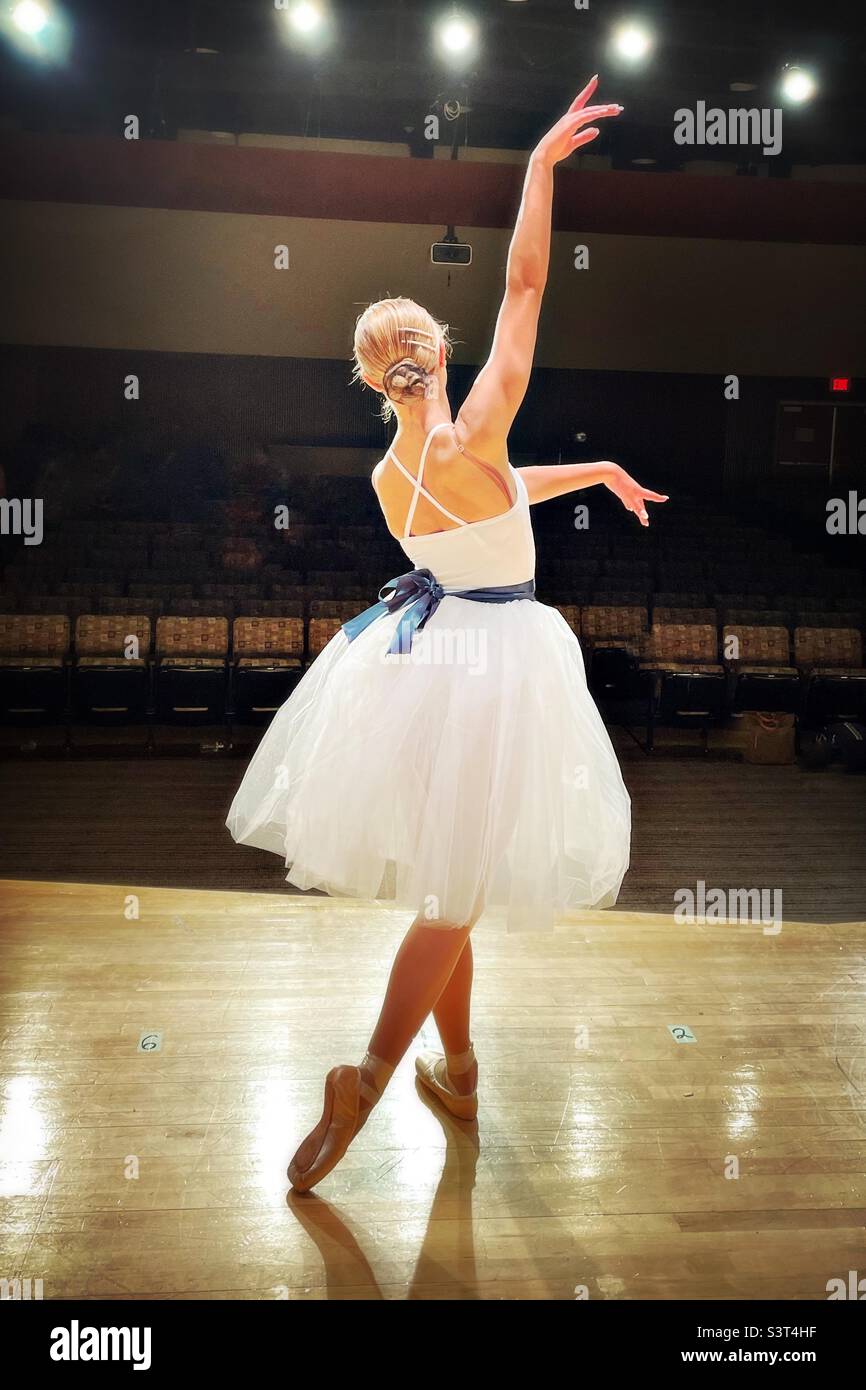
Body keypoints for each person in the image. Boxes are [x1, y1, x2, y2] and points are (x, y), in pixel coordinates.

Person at [225, 76, 667, 1192]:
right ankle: (372, 1075)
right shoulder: (474, 424)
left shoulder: (394, 471)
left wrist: (596, 470)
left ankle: (458, 1069)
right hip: (502, 666)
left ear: (374, 379)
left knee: (451, 888)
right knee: (454, 897)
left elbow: (495, 498)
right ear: (429, 351)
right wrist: (535, 169)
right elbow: (525, 283)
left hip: (432, 664)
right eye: (428, 340)